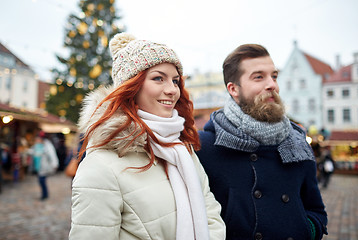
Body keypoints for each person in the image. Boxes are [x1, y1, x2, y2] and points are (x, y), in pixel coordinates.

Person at [69, 33, 225, 240]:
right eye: (158, 78)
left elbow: (211, 214)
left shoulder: (181, 149)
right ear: (131, 88)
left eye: (175, 80)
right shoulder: (101, 164)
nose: (172, 90)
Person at [195, 44, 328, 240]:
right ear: (233, 89)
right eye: (259, 77)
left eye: (273, 76)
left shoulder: (297, 143)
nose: (272, 85)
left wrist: (303, 229)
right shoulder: (204, 147)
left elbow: (316, 210)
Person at [31, 131, 59, 200]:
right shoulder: (37, 145)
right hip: (39, 166)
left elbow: (52, 155)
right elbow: (33, 152)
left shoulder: (47, 145)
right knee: (41, 181)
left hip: (44, 166)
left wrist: (55, 164)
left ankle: (44, 195)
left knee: (42, 180)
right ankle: (44, 194)